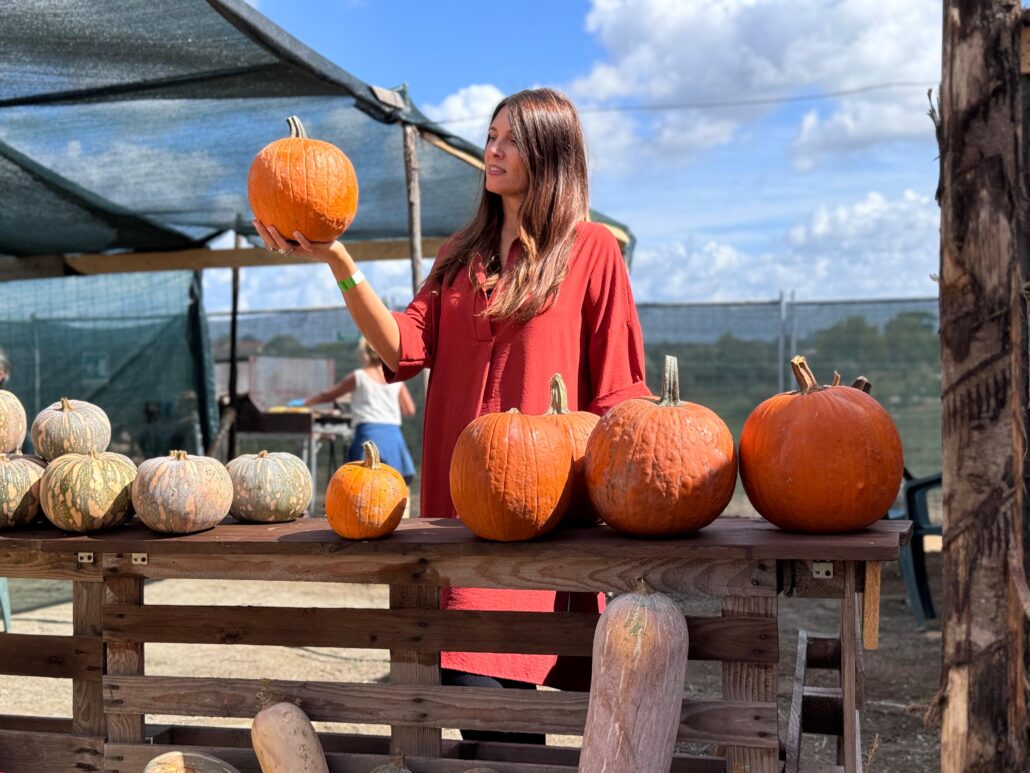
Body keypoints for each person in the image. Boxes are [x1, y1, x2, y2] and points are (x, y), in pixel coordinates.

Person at [255, 87, 650, 744]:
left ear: (549, 154)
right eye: (490, 135)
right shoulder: (458, 255)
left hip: (546, 533)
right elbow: (401, 349)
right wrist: (334, 256)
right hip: (457, 525)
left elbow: (618, 396)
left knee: (511, 734)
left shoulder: (592, 251)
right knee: (478, 719)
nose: (491, 149)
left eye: (510, 139)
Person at [289, 337, 416, 483]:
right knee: (393, 484)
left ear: (364, 354)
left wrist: (304, 403)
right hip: (393, 437)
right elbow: (410, 410)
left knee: (360, 485)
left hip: (368, 435)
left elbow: (328, 395)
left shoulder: (359, 377)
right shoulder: (396, 378)